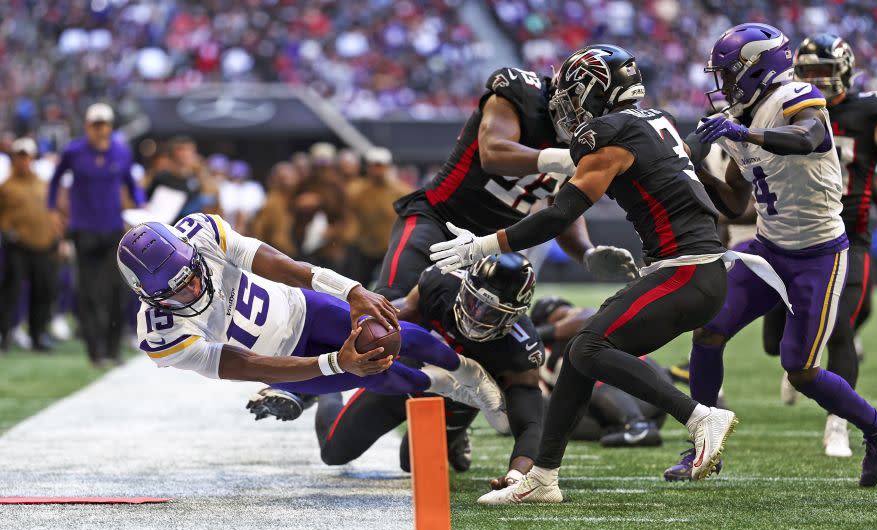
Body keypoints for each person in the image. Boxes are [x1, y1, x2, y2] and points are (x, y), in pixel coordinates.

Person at [429, 45, 785, 504]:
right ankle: (543, 479)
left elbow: (559, 215)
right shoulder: (653, 121)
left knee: (589, 346)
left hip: (687, 270)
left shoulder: (607, 133)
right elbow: (724, 201)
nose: (566, 107)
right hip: (696, 269)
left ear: (595, 92)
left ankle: (699, 415)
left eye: (573, 95)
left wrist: (483, 244)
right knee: (581, 355)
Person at [673, 23, 877, 487]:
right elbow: (737, 202)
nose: (721, 85)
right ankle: (704, 442)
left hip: (818, 253)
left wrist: (742, 132)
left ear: (756, 68)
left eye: (727, 74)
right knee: (709, 329)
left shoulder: (794, 95)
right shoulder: (741, 122)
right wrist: (694, 171)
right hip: (767, 247)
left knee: (799, 370)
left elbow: (810, 138)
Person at [758, 33, 877, 457]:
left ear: (844, 71)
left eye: (823, 72)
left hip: (848, 238)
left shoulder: (868, 114)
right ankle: (802, 362)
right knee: (775, 343)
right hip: (790, 235)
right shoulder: (783, 108)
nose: (815, 80)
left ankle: (838, 424)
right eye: (807, 72)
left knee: (840, 327)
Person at [116, 215, 506, 422]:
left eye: (194, 273)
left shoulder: (202, 234)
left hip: (300, 307)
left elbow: (281, 265)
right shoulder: (161, 335)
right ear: (147, 295)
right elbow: (247, 365)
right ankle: (445, 386)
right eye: (178, 290)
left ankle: (467, 369)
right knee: (378, 375)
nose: (194, 288)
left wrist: (352, 291)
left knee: (391, 333)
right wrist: (337, 362)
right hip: (277, 363)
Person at [248, 254, 545, 487]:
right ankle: (325, 396)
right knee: (334, 452)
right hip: (405, 375)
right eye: (473, 301)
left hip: (459, 398)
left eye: (491, 312)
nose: (475, 316)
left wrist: (517, 477)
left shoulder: (520, 348)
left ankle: (455, 436)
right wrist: (303, 377)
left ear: (516, 316)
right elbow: (386, 326)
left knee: (411, 464)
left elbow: (529, 423)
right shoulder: (441, 283)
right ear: (464, 285)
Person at [375, 63, 637, 301]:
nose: (590, 119)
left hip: (493, 252)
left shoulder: (587, 141)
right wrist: (561, 159)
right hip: (438, 221)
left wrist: (587, 253)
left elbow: (563, 210)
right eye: (591, 104)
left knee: (489, 338)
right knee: (388, 310)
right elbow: (493, 153)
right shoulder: (520, 93)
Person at [48, 103, 145, 366]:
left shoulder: (121, 151)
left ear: (110, 126)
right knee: (88, 293)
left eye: (105, 125)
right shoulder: (73, 151)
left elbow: (130, 183)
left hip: (113, 228)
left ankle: (113, 350)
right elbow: (55, 180)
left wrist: (139, 203)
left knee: (117, 290)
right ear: (88, 126)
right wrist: (52, 210)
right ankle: (95, 352)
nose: (101, 130)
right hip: (83, 229)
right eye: (96, 125)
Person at [531, 297, 666, 447]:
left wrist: (542, 332)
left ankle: (638, 425)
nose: (567, 315)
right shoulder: (547, 352)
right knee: (556, 419)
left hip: (645, 390)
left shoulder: (578, 332)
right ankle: (631, 427)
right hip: (649, 410)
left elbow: (588, 315)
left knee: (587, 377)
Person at [0, 138, 60, 351]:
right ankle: (4, 334)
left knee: (43, 292)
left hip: (43, 245)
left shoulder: (42, 184)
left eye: (26, 156)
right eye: (20, 156)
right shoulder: (6, 186)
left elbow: (52, 212)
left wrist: (56, 236)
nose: (23, 161)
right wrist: (7, 231)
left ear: (32, 158)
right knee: (11, 291)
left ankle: (38, 335)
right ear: (14, 158)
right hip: (18, 245)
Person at [343, 147, 411, 285]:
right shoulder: (355, 191)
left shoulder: (401, 191)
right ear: (367, 167)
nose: (377, 170)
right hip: (362, 247)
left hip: (390, 247)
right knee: (356, 283)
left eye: (380, 166)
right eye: (374, 166)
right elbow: (346, 215)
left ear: (387, 167)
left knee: (392, 285)